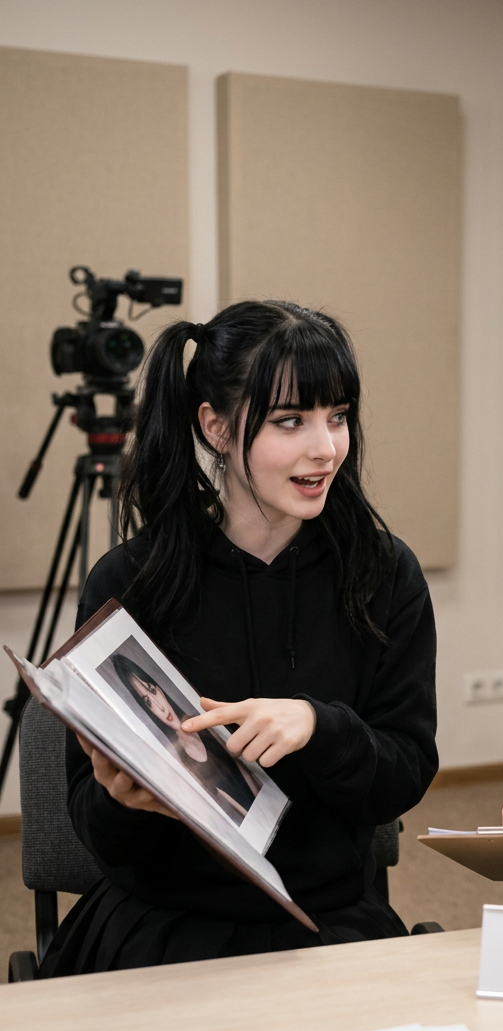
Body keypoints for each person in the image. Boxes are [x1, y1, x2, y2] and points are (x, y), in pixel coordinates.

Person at [40, 300, 437, 975]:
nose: (326, 448)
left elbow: (404, 773)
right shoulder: (131, 581)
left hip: (324, 919)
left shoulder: (383, 573)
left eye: (338, 416)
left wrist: (319, 727)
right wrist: (121, 801)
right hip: (162, 922)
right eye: (291, 421)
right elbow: (97, 830)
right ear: (216, 427)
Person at [109, 651, 260, 823]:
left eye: (152, 690)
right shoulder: (180, 761)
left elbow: (245, 770)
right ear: (147, 710)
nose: (160, 707)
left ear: (160, 689)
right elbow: (228, 803)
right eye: (148, 702)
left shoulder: (203, 723)